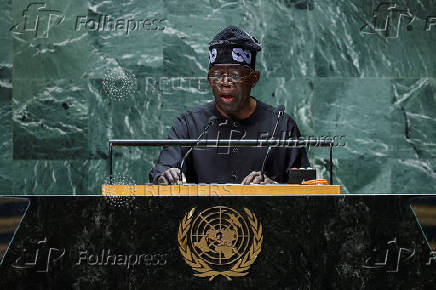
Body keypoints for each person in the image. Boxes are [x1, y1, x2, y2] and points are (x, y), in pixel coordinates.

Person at [149, 26, 309, 185]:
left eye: (235, 76)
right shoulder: (189, 124)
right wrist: (166, 177)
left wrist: (274, 189)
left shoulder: (281, 126)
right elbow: (163, 170)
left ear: (254, 79)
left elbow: (306, 190)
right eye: (217, 75)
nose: (225, 83)